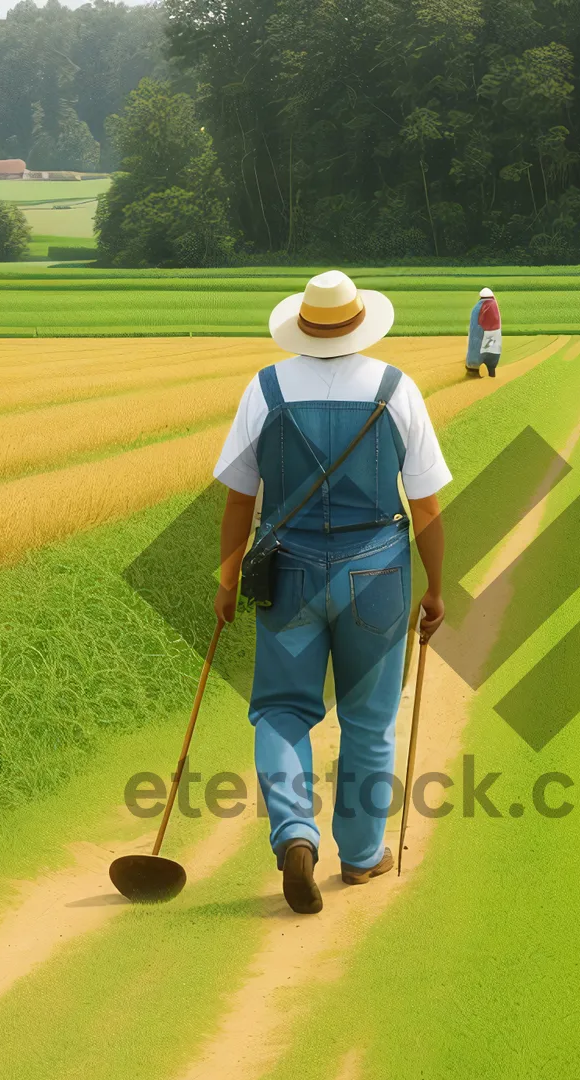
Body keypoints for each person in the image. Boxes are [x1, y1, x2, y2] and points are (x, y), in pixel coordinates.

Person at [212, 270, 450, 915]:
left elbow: (239, 497)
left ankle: (294, 834)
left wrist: (229, 576)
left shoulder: (265, 390)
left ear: (303, 327)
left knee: (282, 709)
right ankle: (364, 854)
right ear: (360, 323)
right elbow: (425, 504)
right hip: (376, 570)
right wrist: (436, 587)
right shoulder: (396, 389)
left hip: (287, 570)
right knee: (369, 721)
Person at [466, 286, 502, 377]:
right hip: (494, 337)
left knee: (477, 354)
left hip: (482, 337)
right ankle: (491, 373)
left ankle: (473, 373)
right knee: (492, 355)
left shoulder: (477, 308)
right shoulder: (494, 305)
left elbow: (474, 328)